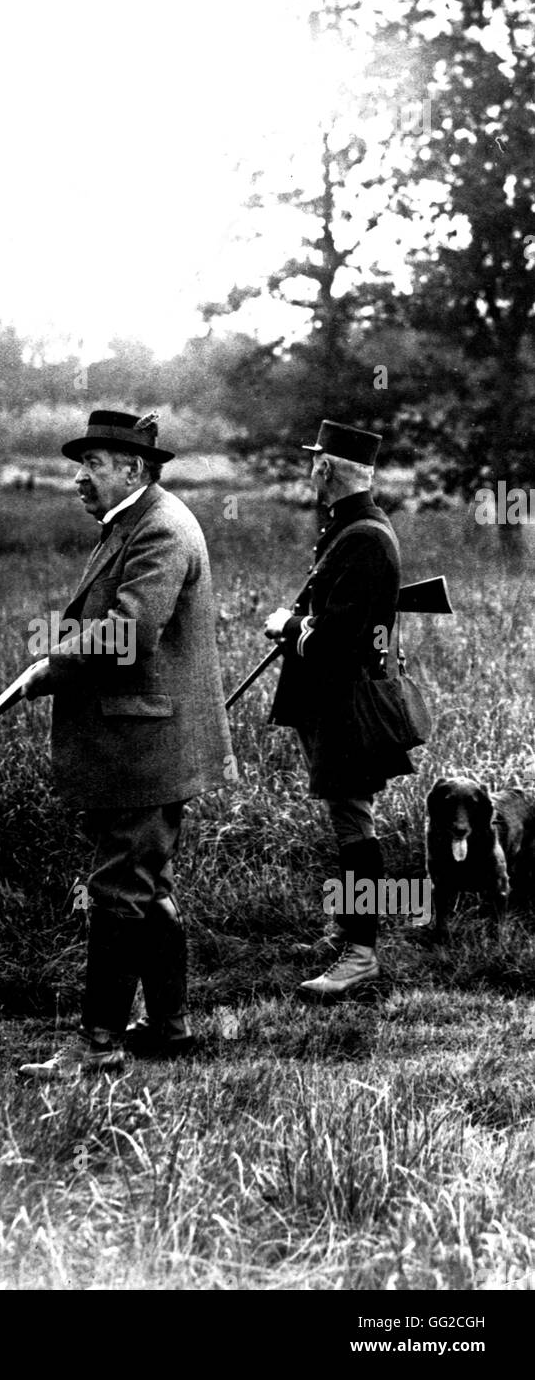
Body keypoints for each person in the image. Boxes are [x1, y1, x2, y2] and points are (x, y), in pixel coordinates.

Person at [17, 410, 233, 1079]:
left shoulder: (161, 528)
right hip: (140, 742)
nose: (80, 479)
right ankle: (167, 1027)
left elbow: (132, 632)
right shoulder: (132, 523)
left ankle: (99, 1044)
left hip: (150, 746)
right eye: (79, 466)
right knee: (144, 884)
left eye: (93, 466)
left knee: (118, 890)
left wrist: (52, 666)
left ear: (132, 469)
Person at [263, 420, 414, 1000]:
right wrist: (304, 622)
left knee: (354, 823)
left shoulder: (363, 536)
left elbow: (339, 638)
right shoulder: (349, 529)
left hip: (349, 703)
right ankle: (352, 938)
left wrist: (289, 625)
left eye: (314, 462)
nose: (311, 471)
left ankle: (360, 954)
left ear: (324, 468)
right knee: (348, 819)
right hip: (336, 700)